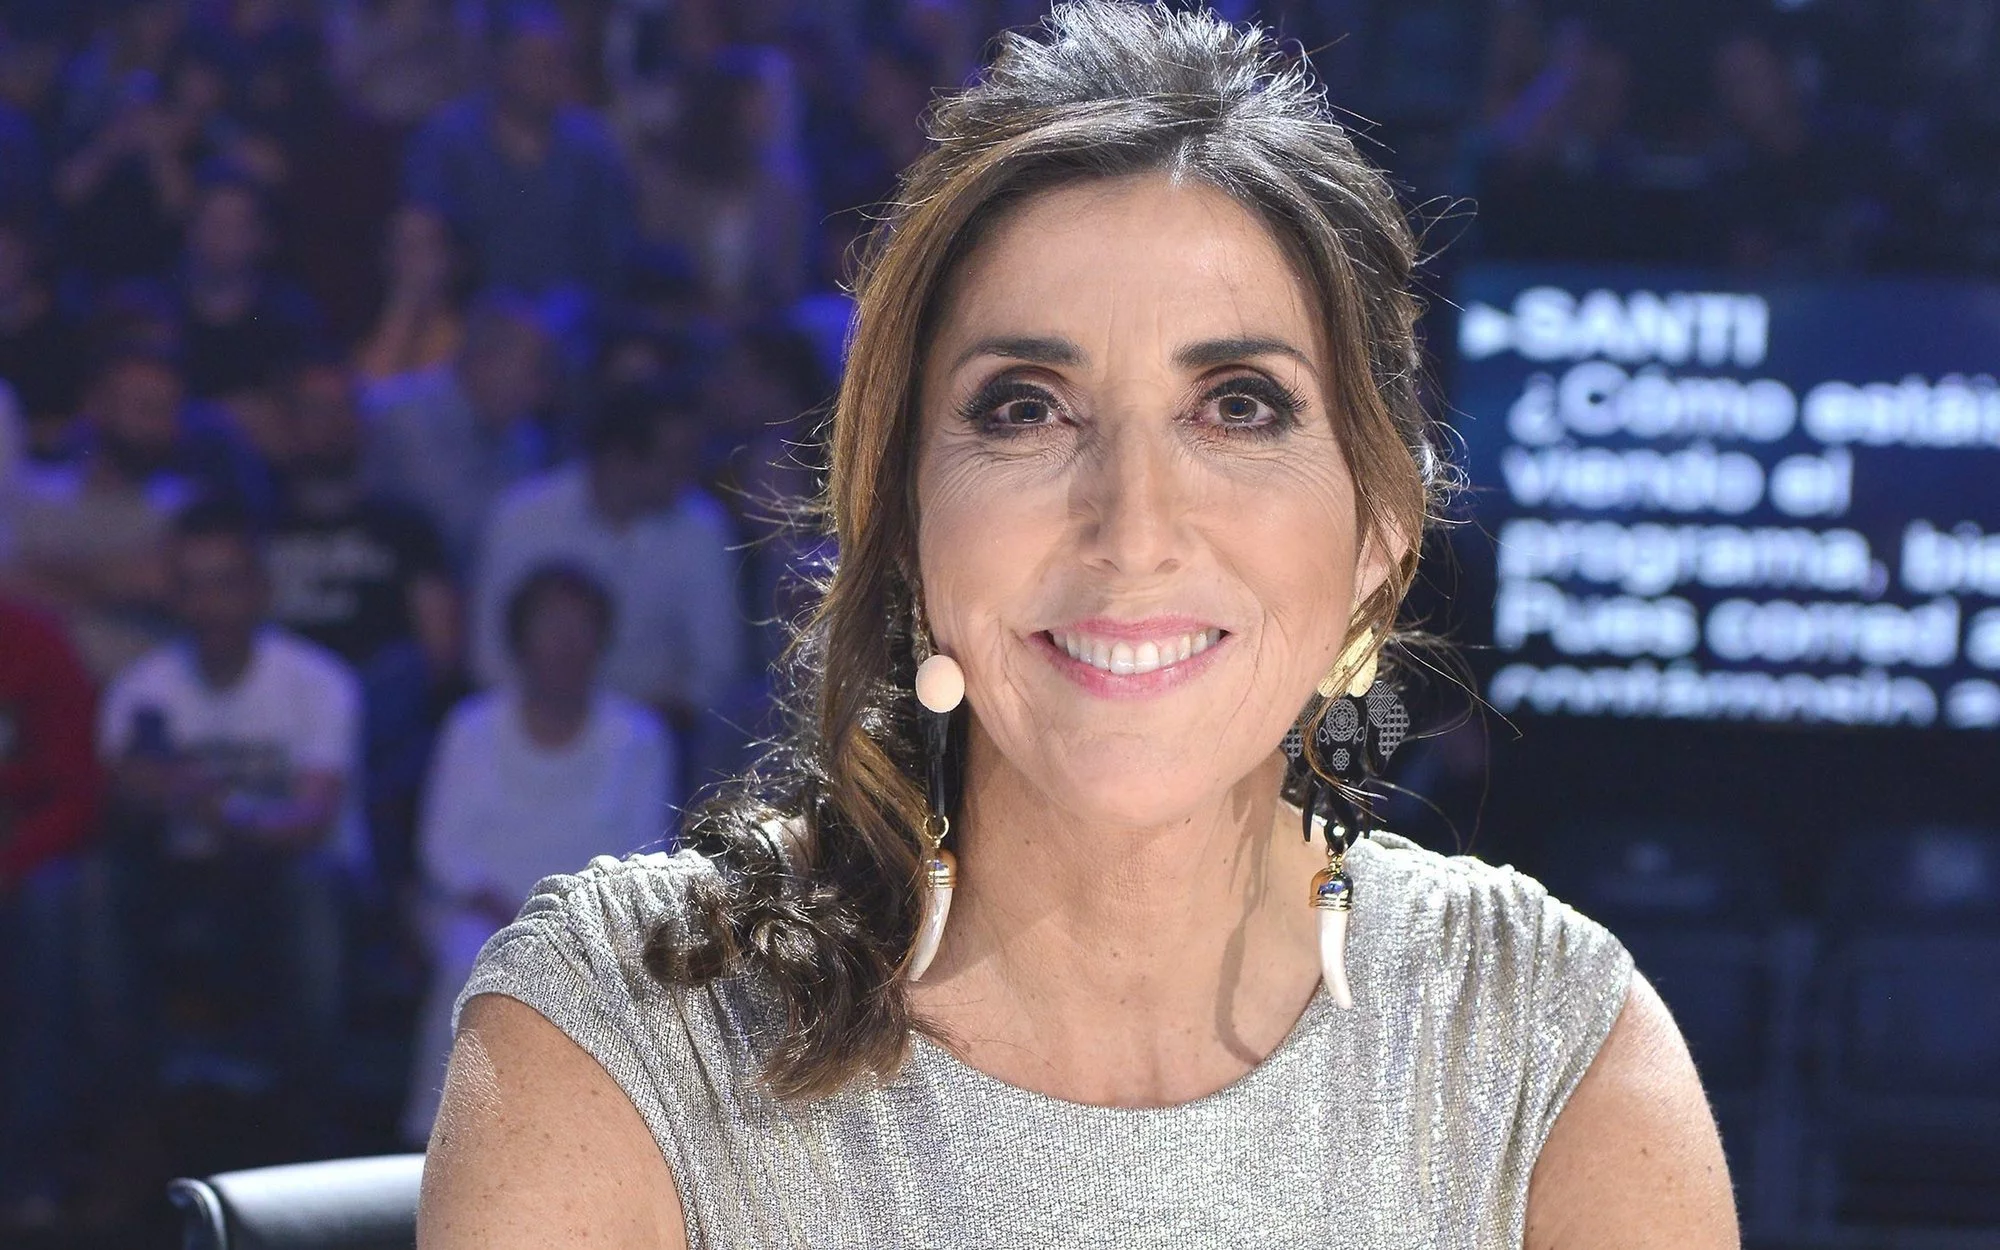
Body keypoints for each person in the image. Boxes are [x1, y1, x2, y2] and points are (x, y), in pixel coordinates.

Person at [420, 5, 1737, 1247]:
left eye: (1239, 404)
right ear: (903, 513)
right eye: (1025, 407)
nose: (1132, 525)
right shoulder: (626, 1030)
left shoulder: (1549, 1052)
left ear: (1378, 527)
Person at [97, 499, 364, 1125]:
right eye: (192, 587)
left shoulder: (319, 683)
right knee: (87, 888)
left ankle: (311, 1124)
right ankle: (123, 1128)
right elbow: (119, 817)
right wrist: (137, 795)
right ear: (174, 597)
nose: (210, 605)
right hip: (178, 879)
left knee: (312, 888)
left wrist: (213, 807)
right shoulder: (141, 689)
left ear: (261, 590)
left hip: (288, 875)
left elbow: (312, 819)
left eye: (226, 585)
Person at [401, 562, 671, 1146]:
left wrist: (572, 921)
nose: (565, 642)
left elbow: (648, 851)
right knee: (469, 967)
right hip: (481, 913)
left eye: (580, 627)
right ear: (519, 639)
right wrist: (512, 915)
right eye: (550, 626)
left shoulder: (639, 736)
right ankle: (443, 1141)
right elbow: (442, 847)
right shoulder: (471, 727)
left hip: (598, 922)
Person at [468, 383, 742, 762]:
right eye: (675, 459)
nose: (690, 474)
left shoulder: (704, 528)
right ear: (619, 460)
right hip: (522, 729)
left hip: (658, 737)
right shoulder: (521, 518)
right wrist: (550, 721)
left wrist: (628, 729)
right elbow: (489, 659)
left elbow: (715, 670)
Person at [402, 3, 634, 300]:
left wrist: (560, 314)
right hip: (468, 312)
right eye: (534, 61)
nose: (547, 75)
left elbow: (613, 254)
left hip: (574, 313)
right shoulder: (447, 140)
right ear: (500, 63)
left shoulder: (593, 147)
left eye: (557, 62)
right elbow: (424, 236)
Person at [0, 597, 100, 1228]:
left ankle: (28, 1172)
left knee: (56, 902)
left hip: (22, 857)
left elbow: (77, 792)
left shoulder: (31, 642)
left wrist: (9, 866)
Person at [362, 293, 553, 570]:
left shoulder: (525, 439)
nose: (542, 391)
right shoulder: (400, 418)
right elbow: (447, 529)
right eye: (533, 372)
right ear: (485, 361)